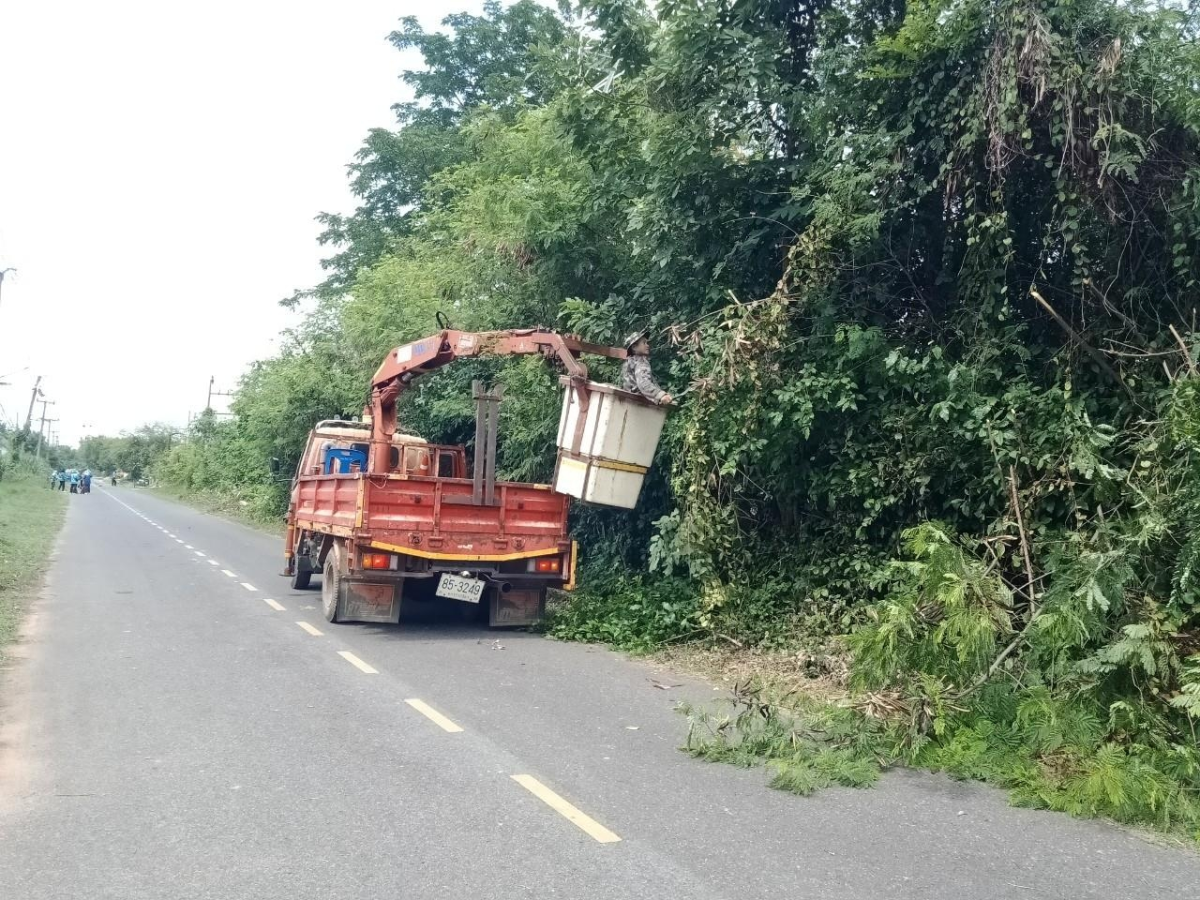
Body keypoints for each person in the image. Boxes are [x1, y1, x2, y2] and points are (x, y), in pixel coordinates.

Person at [620, 331, 673, 405]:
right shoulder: (641, 362)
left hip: (627, 400)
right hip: (638, 404)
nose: (647, 345)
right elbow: (643, 383)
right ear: (634, 347)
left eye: (647, 343)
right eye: (644, 343)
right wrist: (661, 395)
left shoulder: (629, 362)